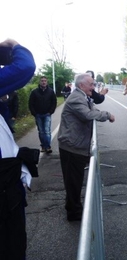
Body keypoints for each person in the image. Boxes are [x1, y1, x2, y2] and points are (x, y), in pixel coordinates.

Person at [58, 73, 115, 222]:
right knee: (73, 182)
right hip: (72, 147)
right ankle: (74, 213)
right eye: (91, 84)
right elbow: (88, 115)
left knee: (74, 180)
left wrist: (102, 113)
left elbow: (93, 109)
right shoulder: (77, 98)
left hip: (76, 145)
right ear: (82, 85)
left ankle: (73, 207)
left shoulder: (83, 97)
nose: (93, 87)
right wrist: (107, 115)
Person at [0, 38, 36, 259]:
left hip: (7, 178)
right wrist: (14, 45)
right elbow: (25, 67)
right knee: (11, 246)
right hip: (4, 187)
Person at [28, 76, 57, 153]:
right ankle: (43, 146)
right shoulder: (34, 92)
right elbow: (30, 104)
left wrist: (50, 112)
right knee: (41, 131)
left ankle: (48, 146)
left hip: (47, 114)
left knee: (47, 131)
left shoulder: (51, 92)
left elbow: (54, 103)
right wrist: (34, 113)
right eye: (42, 81)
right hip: (38, 115)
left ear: (47, 82)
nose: (43, 82)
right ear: (39, 82)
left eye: (45, 81)